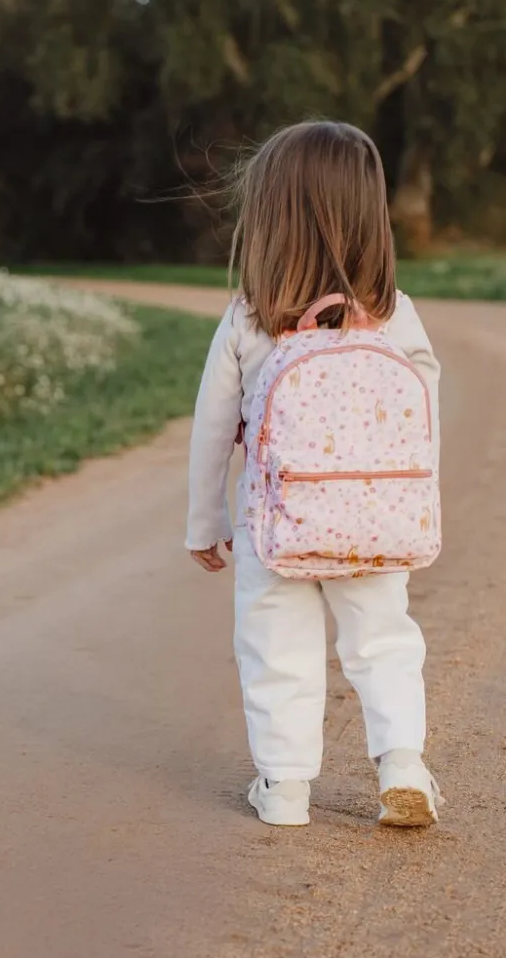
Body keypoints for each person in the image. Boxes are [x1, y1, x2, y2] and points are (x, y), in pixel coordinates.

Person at [186, 121, 443, 828]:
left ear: (269, 217)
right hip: (375, 522)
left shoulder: (250, 317)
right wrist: (413, 507)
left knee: (276, 646)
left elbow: (213, 429)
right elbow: (422, 422)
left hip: (278, 526)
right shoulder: (395, 316)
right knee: (384, 640)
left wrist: (204, 520)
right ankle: (402, 763)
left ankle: (286, 787)